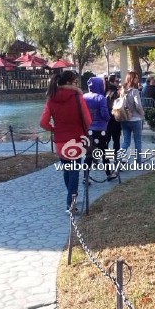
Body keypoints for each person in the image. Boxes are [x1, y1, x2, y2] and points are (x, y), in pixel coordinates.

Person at [40, 70, 92, 213]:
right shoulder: (77, 97)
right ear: (69, 82)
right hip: (77, 139)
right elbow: (88, 120)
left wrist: (54, 129)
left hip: (60, 141)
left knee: (67, 170)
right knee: (74, 172)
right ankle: (71, 203)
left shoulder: (51, 99)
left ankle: (71, 195)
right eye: (75, 81)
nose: (77, 84)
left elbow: (43, 123)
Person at [83, 76, 117, 182]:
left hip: (88, 129)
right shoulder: (101, 98)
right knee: (105, 152)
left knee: (89, 154)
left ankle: (86, 177)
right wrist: (108, 118)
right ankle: (109, 173)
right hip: (101, 128)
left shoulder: (84, 97)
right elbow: (105, 114)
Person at [120, 71, 144, 166]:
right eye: (136, 77)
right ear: (132, 79)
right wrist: (142, 114)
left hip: (124, 118)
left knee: (126, 141)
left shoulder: (122, 90)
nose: (137, 79)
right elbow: (138, 106)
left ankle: (119, 158)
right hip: (135, 119)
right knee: (138, 141)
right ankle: (138, 161)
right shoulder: (135, 91)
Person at [105, 74, 122, 164]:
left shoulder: (105, 91)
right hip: (115, 118)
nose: (118, 83)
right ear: (112, 82)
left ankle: (108, 158)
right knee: (116, 140)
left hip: (107, 120)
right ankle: (116, 159)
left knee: (107, 140)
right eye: (117, 81)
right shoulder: (116, 93)